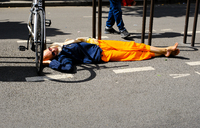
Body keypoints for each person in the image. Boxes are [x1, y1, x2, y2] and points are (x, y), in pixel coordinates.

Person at [43, 37, 180, 72]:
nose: (53, 51)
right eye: (53, 54)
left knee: (133, 46)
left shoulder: (60, 44)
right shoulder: (63, 57)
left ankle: (164, 50)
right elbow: (68, 68)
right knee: (133, 55)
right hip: (102, 55)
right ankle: (164, 52)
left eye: (50, 50)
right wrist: (50, 63)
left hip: (101, 44)